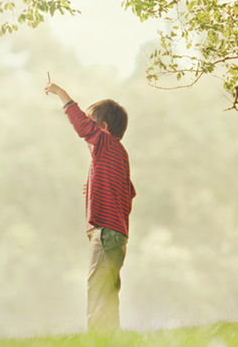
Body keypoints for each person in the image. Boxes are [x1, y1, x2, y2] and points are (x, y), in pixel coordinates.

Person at [45, 80, 136, 332]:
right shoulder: (120, 154)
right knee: (107, 290)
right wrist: (99, 188)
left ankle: (98, 339)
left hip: (106, 232)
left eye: (91, 125)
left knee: (98, 290)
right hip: (116, 233)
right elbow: (130, 192)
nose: (88, 135)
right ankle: (110, 337)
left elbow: (81, 125)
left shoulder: (105, 143)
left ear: (104, 128)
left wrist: (60, 93)